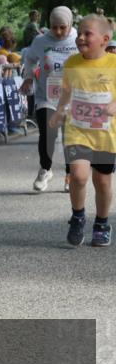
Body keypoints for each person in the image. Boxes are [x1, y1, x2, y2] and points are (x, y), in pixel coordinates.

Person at [48, 14, 116, 247]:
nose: (81, 37)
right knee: (78, 175)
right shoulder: (72, 63)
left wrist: (114, 106)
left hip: (106, 135)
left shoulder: (114, 64)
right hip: (77, 130)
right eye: (80, 33)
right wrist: (59, 111)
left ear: (105, 39)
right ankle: (78, 217)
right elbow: (67, 92)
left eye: (88, 34)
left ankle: (102, 223)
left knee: (103, 182)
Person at [22, 6, 79, 192]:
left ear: (70, 24)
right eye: (54, 27)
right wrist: (29, 77)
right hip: (46, 96)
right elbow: (29, 59)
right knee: (48, 133)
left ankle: (70, 174)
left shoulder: (78, 39)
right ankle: (45, 169)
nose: (58, 32)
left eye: (63, 27)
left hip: (72, 97)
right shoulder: (40, 41)